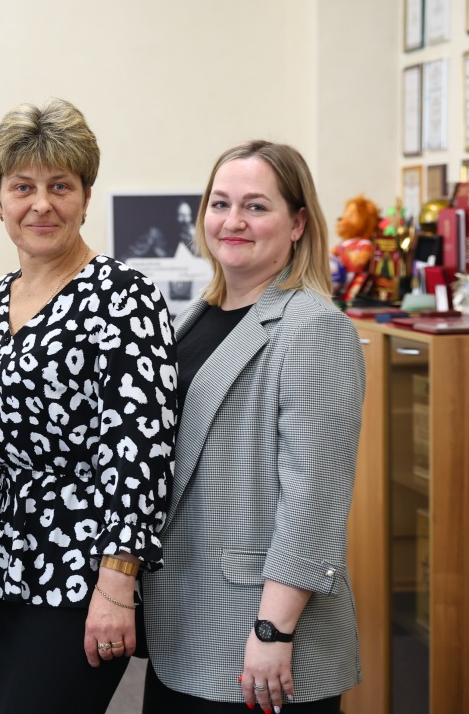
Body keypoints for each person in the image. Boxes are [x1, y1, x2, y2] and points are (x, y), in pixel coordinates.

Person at [0, 98, 179, 712]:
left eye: (60, 186)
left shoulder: (123, 297)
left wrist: (117, 583)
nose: (40, 204)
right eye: (22, 187)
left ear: (86, 197)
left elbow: (140, 451)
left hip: (79, 576)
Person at [140, 141, 365, 714]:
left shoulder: (313, 328)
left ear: (298, 223)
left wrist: (273, 631)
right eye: (220, 204)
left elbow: (314, 499)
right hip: (186, 623)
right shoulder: (195, 317)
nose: (232, 221)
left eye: (256, 206)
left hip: (260, 640)